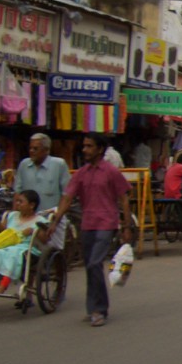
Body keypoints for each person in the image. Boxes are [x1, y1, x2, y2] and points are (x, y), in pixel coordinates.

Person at [45, 133, 133, 327]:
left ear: (100, 149)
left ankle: (99, 309)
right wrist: (55, 221)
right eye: (84, 146)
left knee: (94, 264)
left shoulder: (111, 172)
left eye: (89, 146)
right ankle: (92, 306)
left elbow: (124, 199)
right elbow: (67, 198)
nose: (84, 150)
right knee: (90, 266)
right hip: (87, 224)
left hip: (107, 223)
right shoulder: (81, 173)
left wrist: (126, 226)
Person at [0, 190, 42, 296]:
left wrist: (33, 231)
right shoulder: (12, 215)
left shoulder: (39, 220)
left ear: (31, 205)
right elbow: (4, 232)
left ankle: (2, 287)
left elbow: (45, 239)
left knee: (10, 253)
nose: (17, 204)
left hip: (26, 248)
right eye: (17, 201)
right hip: (8, 246)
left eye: (20, 202)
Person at [14, 132, 70, 212]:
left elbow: (66, 195)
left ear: (46, 150)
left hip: (50, 218)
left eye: (35, 148)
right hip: (27, 219)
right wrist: (15, 216)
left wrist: (58, 216)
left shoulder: (59, 164)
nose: (31, 151)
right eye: (30, 148)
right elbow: (17, 193)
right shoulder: (24, 164)